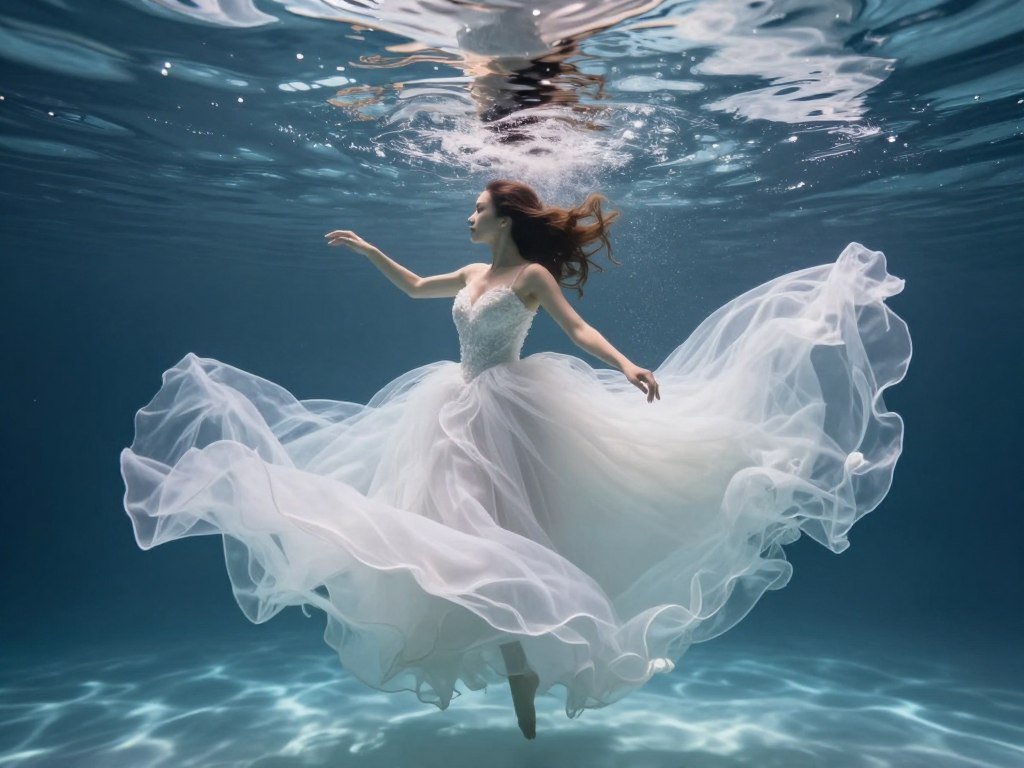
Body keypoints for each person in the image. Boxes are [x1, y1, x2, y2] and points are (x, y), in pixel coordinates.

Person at [120, 179, 911, 741]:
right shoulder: (471, 273)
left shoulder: (530, 275)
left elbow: (577, 329)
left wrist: (627, 365)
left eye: (478, 207)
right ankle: (514, 666)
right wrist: (367, 249)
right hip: (451, 410)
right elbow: (413, 287)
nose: (468, 215)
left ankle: (535, 664)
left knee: (518, 540)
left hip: (516, 416)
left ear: (505, 217)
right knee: (463, 541)